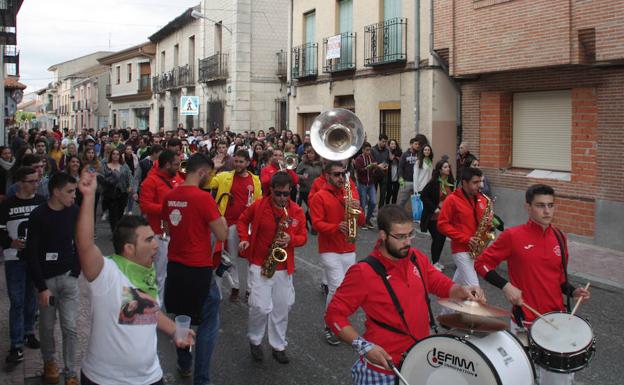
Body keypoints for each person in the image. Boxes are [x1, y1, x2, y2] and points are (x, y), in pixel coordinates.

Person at [325, 205, 485, 384]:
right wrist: (364, 346)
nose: (408, 242)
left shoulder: (416, 257)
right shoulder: (363, 272)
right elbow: (334, 315)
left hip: (418, 360)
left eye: (410, 234)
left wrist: (462, 291)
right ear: (383, 235)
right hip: (383, 369)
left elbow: (439, 283)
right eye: (400, 237)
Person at [75, 169, 194, 385]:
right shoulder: (107, 273)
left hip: (150, 377)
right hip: (104, 380)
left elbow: (144, 309)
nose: (156, 244)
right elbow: (85, 246)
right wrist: (89, 196)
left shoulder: (146, 274)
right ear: (129, 248)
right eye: (149, 240)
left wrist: (175, 330)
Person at [475, 184, 590, 385]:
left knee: (557, 380)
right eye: (540, 205)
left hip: (556, 321)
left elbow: (560, 279)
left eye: (551, 205)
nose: (547, 211)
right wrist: (506, 286)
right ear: (528, 207)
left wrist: (573, 291)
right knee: (523, 377)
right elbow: (481, 263)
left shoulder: (559, 237)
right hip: (525, 321)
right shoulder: (513, 236)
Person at [162, 153, 228, 383]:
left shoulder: (170, 195)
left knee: (183, 318)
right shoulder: (203, 199)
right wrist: (223, 221)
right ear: (200, 173)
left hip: (176, 267)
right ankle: (202, 379)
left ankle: (184, 364)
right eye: (207, 175)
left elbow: (167, 228)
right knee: (209, 323)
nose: (208, 178)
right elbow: (221, 234)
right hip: (199, 268)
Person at [237, 172, 307, 364]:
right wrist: (244, 239)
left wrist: (291, 239)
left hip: (283, 267)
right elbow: (242, 220)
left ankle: (278, 345)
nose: (283, 198)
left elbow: (303, 236)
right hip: (260, 263)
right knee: (259, 306)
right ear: (271, 190)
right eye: (278, 194)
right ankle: (255, 340)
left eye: (286, 193)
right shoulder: (259, 205)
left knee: (282, 307)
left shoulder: (296, 211)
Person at [24, 172, 80, 385]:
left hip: (68, 278)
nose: (73, 196)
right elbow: (31, 252)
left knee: (71, 327)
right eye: (70, 191)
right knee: (47, 327)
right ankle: (49, 362)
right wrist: (41, 287)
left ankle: (71, 371)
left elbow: (81, 241)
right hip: (46, 282)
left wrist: (75, 272)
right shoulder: (38, 215)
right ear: (56, 192)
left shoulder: (74, 211)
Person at [310, 161, 364, 345]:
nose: (341, 177)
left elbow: (362, 221)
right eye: (336, 174)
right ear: (327, 176)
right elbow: (316, 223)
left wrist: (356, 207)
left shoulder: (351, 192)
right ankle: (329, 324)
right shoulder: (320, 196)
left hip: (349, 248)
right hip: (329, 249)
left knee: (347, 290)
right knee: (336, 287)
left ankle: (340, 322)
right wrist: (335, 227)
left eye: (343, 174)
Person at [0, 167, 44, 366]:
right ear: (20, 182)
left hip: (35, 259)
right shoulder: (7, 205)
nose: (36, 184)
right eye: (31, 181)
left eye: (37, 180)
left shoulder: (41, 202)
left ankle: (28, 332)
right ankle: (16, 345)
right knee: (17, 301)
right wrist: (10, 242)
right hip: (14, 259)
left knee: (31, 299)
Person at [207, 149, 262, 302]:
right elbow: (207, 182)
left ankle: (250, 289)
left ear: (248, 163)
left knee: (250, 258)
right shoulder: (224, 176)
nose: (237, 164)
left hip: (248, 225)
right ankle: (235, 286)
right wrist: (214, 168)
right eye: (236, 161)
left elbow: (260, 201)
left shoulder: (255, 180)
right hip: (230, 223)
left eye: (241, 162)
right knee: (232, 257)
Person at [139, 150, 183, 306]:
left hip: (176, 232)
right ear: (167, 164)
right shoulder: (150, 182)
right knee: (159, 273)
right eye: (176, 164)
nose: (179, 168)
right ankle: (157, 307)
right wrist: (168, 208)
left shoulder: (177, 178)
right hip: (159, 233)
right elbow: (145, 205)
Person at [437, 167, 488, 287]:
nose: (480, 185)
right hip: (461, 250)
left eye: (480, 181)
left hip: (475, 250)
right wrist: (466, 239)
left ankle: (446, 305)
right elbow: (442, 224)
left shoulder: (483, 199)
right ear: (464, 183)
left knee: (457, 286)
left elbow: (484, 222)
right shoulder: (452, 200)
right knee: (474, 287)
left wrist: (489, 226)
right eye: (475, 182)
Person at [420, 160, 455, 271]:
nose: (448, 169)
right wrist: (434, 207)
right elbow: (424, 196)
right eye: (445, 167)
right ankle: (434, 263)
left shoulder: (450, 182)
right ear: (440, 170)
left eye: (448, 167)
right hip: (433, 217)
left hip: (445, 217)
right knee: (437, 238)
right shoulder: (434, 182)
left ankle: (436, 261)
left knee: (442, 239)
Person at [102, 148, 133, 233]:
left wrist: (130, 186)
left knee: (120, 212)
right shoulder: (106, 166)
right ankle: (114, 231)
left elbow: (130, 176)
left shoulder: (124, 166)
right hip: (111, 194)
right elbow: (102, 178)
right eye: (114, 154)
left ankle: (118, 229)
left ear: (120, 156)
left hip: (122, 193)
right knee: (113, 213)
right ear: (111, 155)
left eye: (117, 154)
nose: (115, 156)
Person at [396, 135, 427, 208]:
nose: (417, 146)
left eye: (418, 144)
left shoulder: (420, 155)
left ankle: (416, 218)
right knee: (400, 203)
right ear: (411, 144)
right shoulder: (404, 155)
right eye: (415, 144)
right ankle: (397, 217)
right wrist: (400, 177)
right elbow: (400, 167)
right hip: (406, 182)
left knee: (418, 203)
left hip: (417, 183)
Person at [354, 142, 380, 229]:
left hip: (371, 183)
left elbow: (374, 168)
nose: (369, 152)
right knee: (363, 203)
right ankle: (362, 222)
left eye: (369, 150)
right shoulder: (359, 159)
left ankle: (367, 219)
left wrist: (376, 167)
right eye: (367, 150)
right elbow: (359, 170)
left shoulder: (371, 157)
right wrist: (367, 167)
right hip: (362, 184)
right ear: (363, 150)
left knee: (373, 202)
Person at [370, 134, 389, 208]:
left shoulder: (387, 151)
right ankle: (373, 212)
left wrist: (387, 165)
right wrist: (378, 166)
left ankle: (381, 211)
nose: (384, 143)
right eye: (383, 141)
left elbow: (387, 161)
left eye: (385, 142)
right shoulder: (372, 150)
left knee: (383, 195)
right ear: (379, 140)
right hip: (374, 175)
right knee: (373, 196)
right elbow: (370, 163)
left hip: (384, 175)